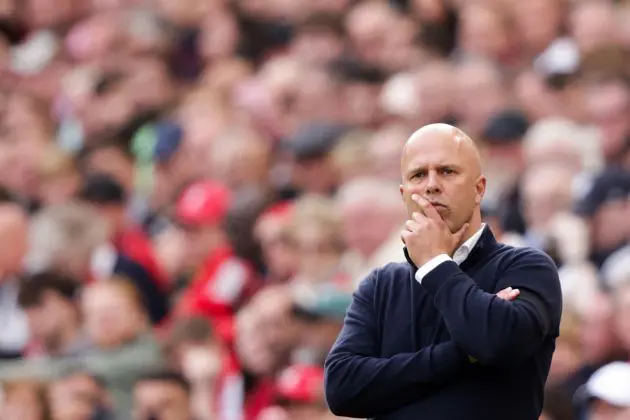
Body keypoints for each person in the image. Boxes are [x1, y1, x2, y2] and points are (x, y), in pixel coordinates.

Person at [324, 124, 563, 419]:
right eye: (418, 175)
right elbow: (342, 388)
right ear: (404, 193)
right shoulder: (382, 284)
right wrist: (463, 354)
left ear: (479, 189)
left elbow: (497, 342)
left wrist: (435, 263)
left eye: (447, 171)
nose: (431, 185)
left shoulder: (527, 266)